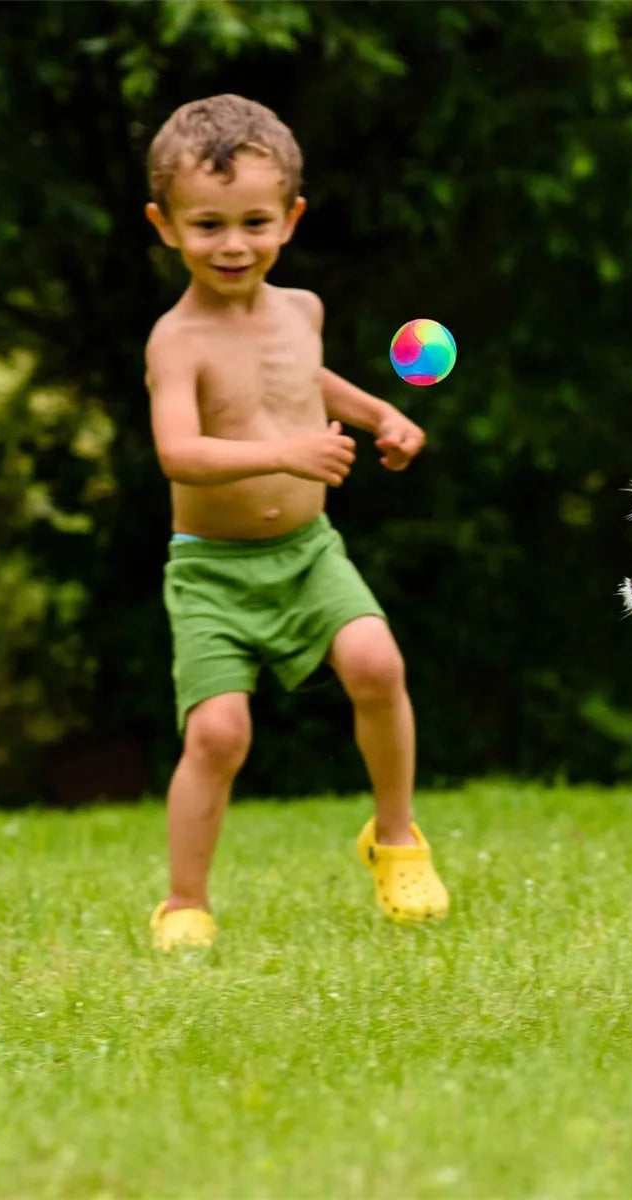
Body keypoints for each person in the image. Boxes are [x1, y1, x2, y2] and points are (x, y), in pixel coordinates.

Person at [142, 94, 448, 950]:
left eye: (253, 222)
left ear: (291, 218)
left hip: (308, 553)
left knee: (376, 662)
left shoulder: (300, 310)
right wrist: (284, 455)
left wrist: (379, 413)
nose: (232, 244)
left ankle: (396, 840)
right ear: (165, 225)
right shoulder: (177, 341)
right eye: (207, 225)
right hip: (212, 568)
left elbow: (308, 382)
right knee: (218, 731)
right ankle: (185, 903)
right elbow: (178, 451)